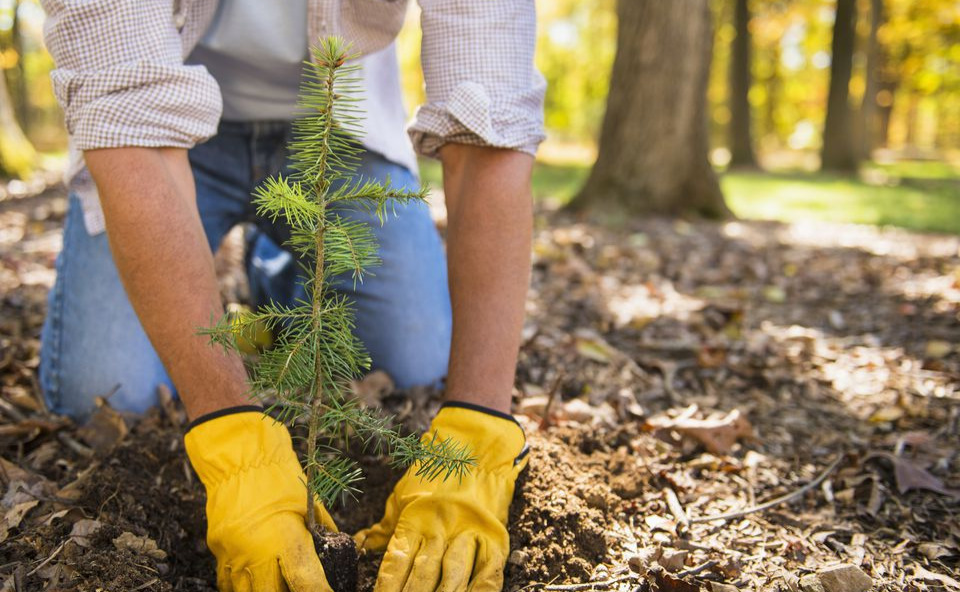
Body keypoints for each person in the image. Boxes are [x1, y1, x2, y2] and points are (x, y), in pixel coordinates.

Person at [38, 1, 544, 591]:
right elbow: (128, 117)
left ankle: (279, 274)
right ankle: (269, 284)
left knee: (415, 359)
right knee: (102, 391)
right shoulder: (142, 105)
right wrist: (232, 439)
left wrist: (480, 424)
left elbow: (493, 124)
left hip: (338, 123)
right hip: (163, 124)